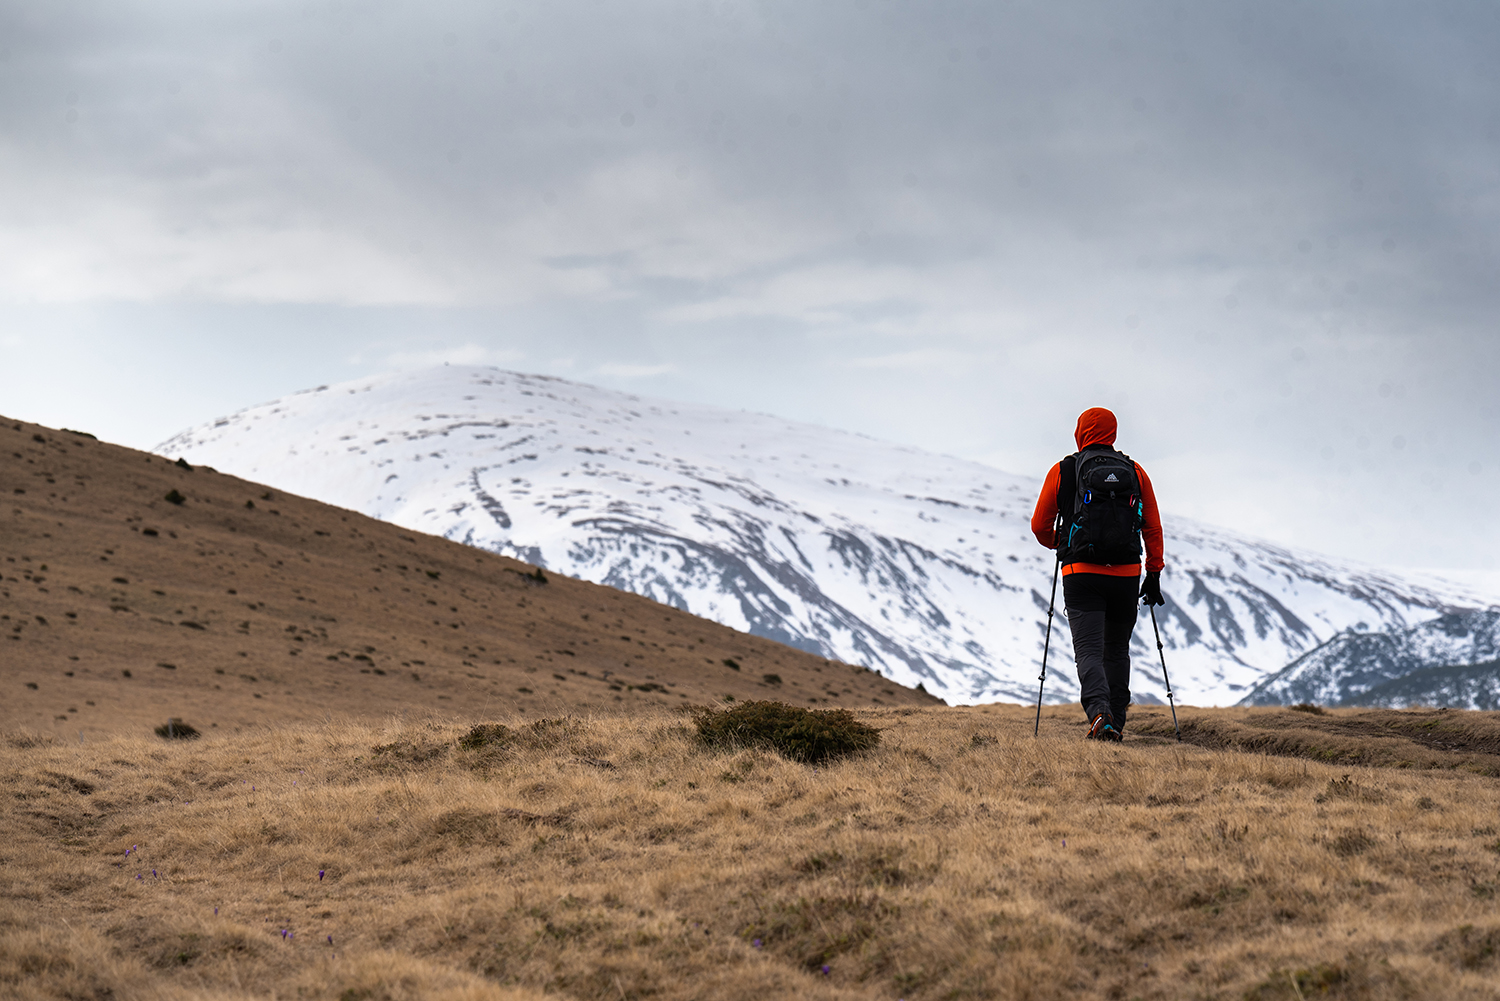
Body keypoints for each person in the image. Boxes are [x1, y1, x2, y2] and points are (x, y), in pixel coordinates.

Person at [1030, 407, 1164, 741]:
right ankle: (1115, 721)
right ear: (1113, 433)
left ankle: (1100, 717)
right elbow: (1152, 526)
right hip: (1126, 574)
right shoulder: (1135, 471)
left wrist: (1059, 542)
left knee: (1089, 651)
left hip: (1081, 573)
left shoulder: (1065, 470)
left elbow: (1039, 526)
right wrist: (1154, 572)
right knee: (1117, 651)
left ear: (1080, 432)